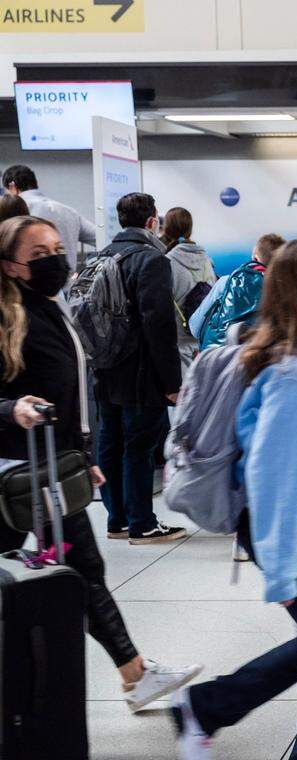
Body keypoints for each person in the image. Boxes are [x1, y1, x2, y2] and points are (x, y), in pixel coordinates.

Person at [0, 215, 202, 712]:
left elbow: (67, 397)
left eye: (55, 247)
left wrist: (79, 459)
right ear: (11, 266)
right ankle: (135, 675)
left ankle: (135, 674)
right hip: (14, 472)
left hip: (48, 470)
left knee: (83, 568)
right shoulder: (7, 319)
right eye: (39, 253)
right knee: (81, 569)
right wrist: (11, 408)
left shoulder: (50, 308)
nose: (54, 258)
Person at [171, 237, 297, 760]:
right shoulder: (292, 371)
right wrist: (281, 569)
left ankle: (206, 708)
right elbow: (273, 477)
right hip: (282, 529)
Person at [94, 193, 185, 544]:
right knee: (139, 446)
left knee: (111, 443)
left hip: (105, 368)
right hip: (140, 372)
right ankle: (143, 523)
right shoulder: (151, 260)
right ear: (152, 221)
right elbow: (158, 325)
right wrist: (171, 381)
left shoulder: (102, 256)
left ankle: (116, 519)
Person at [191, 233, 284, 345]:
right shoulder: (285, 292)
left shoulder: (226, 282)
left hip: (220, 355)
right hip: (259, 357)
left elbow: (194, 328)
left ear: (255, 258)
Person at [3, 164, 97, 270]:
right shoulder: (69, 212)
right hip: (68, 283)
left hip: (29, 282)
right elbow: (98, 237)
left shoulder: (14, 211)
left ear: (12, 187)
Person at [161, 207, 217, 374]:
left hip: (177, 348)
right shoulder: (207, 260)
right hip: (204, 344)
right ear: (190, 229)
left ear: (166, 229)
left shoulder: (165, 263)